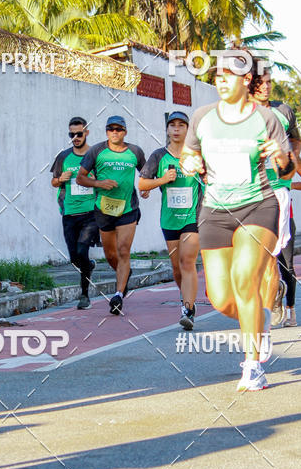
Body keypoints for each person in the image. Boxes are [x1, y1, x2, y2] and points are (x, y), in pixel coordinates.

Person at [180, 49, 293, 391]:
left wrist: (280, 159)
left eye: (228, 75)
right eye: (217, 76)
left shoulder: (266, 118)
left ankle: (253, 365)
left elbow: (286, 167)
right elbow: (188, 152)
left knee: (245, 280)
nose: (220, 81)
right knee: (222, 299)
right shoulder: (202, 117)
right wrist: (189, 163)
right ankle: (261, 322)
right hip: (215, 211)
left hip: (258, 206)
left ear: (246, 81)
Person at [248, 61, 301, 334]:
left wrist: (289, 161)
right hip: (251, 191)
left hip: (279, 191)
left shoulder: (283, 111)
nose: (267, 86)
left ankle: (283, 299)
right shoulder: (243, 112)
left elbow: (296, 140)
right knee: (259, 250)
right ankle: (268, 297)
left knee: (281, 252)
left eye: (270, 82)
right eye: (262, 82)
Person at [139, 111, 202, 330]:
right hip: (169, 218)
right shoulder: (159, 156)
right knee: (177, 268)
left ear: (188, 129)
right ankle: (187, 300)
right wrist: (162, 180)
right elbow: (142, 184)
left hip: (193, 216)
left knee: (187, 261)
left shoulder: (197, 154)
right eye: (172, 125)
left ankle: (188, 309)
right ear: (167, 130)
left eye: (181, 125)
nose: (176, 129)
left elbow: (212, 178)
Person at [77, 116, 145, 315]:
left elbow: (146, 174)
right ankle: (124, 273)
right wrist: (100, 183)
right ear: (106, 131)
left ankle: (118, 295)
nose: (115, 132)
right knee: (111, 254)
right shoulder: (96, 151)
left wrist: (147, 188)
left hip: (128, 209)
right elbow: (80, 178)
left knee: (124, 251)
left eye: (119, 129)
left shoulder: (135, 152)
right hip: (104, 209)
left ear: (125, 132)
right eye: (111, 129)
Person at [50, 117, 99, 309]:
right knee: (74, 257)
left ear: (86, 132)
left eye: (79, 134)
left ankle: (85, 295)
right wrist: (60, 179)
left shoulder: (95, 155)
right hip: (69, 212)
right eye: (72, 135)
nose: (75, 138)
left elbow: (105, 180)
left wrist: (94, 179)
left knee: (82, 250)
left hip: (91, 213)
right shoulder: (63, 157)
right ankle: (88, 265)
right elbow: (53, 182)